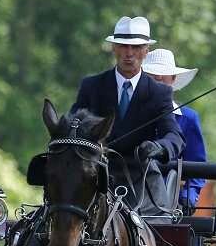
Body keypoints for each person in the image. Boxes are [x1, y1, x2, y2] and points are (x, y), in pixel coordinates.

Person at [71, 17, 185, 215]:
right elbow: (74, 124)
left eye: (137, 47)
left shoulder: (159, 93)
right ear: (114, 48)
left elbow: (175, 136)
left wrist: (159, 147)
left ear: (146, 51)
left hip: (141, 176)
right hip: (97, 173)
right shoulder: (92, 86)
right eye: (124, 46)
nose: (129, 54)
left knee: (163, 232)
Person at [141, 48, 206, 211]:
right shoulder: (127, 113)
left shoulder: (188, 119)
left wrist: (187, 199)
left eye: (163, 77)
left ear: (173, 79)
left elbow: (196, 167)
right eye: (152, 77)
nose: (158, 80)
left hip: (165, 205)